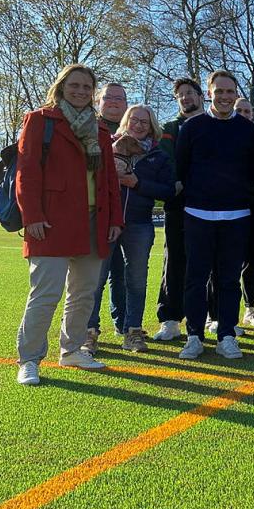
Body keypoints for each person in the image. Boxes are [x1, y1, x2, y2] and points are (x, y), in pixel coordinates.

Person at [14, 64, 123, 385]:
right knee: (45, 295)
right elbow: (27, 172)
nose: (80, 91)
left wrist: (115, 218)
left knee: (84, 293)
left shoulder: (101, 131)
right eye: (74, 85)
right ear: (61, 87)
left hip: (93, 222)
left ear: (93, 92)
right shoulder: (40, 120)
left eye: (86, 87)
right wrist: (31, 215)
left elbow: (109, 181)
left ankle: (73, 349)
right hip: (50, 223)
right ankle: (30, 359)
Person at [175, 70, 254, 360]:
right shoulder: (192, 127)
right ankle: (195, 336)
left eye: (229, 91)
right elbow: (182, 168)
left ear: (236, 94)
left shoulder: (248, 130)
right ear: (208, 94)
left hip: (236, 216)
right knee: (195, 278)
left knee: (228, 280)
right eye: (219, 91)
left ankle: (226, 335)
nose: (224, 97)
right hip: (197, 214)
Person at [103, 105, 176, 353]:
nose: (139, 125)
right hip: (106, 221)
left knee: (136, 280)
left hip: (139, 224)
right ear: (126, 120)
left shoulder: (158, 156)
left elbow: (168, 191)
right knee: (97, 278)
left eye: (145, 122)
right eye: (135, 120)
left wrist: (138, 183)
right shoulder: (107, 147)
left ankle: (133, 331)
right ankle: (88, 331)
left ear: (152, 126)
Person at [153, 78, 204, 341]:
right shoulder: (170, 128)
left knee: (210, 263)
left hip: (210, 206)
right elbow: (166, 161)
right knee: (173, 262)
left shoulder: (213, 124)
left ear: (200, 96)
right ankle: (170, 318)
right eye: (181, 95)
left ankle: (212, 317)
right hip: (179, 205)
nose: (185, 98)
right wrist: (183, 183)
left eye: (190, 93)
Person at [85, 83, 129, 347]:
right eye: (108, 97)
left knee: (123, 275)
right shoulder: (89, 128)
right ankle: (89, 328)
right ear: (98, 101)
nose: (113, 102)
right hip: (98, 214)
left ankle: (124, 325)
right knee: (95, 276)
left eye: (119, 98)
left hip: (130, 215)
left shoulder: (136, 127)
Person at [234, 98, 254, 330]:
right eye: (239, 110)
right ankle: (213, 313)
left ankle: (250, 308)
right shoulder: (221, 136)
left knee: (251, 262)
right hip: (225, 209)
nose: (243, 114)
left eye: (247, 111)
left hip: (253, 210)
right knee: (221, 264)